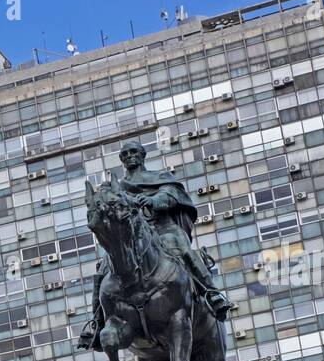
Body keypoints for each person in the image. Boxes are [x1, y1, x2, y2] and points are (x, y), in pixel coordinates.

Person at [81, 139, 231, 350]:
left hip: (162, 228)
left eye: (133, 152)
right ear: (122, 161)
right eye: (125, 154)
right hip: (133, 236)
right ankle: (97, 321)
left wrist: (153, 201)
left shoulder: (159, 178)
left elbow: (171, 195)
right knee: (104, 268)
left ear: (142, 155)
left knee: (184, 249)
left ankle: (211, 293)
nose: (129, 156)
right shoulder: (119, 186)